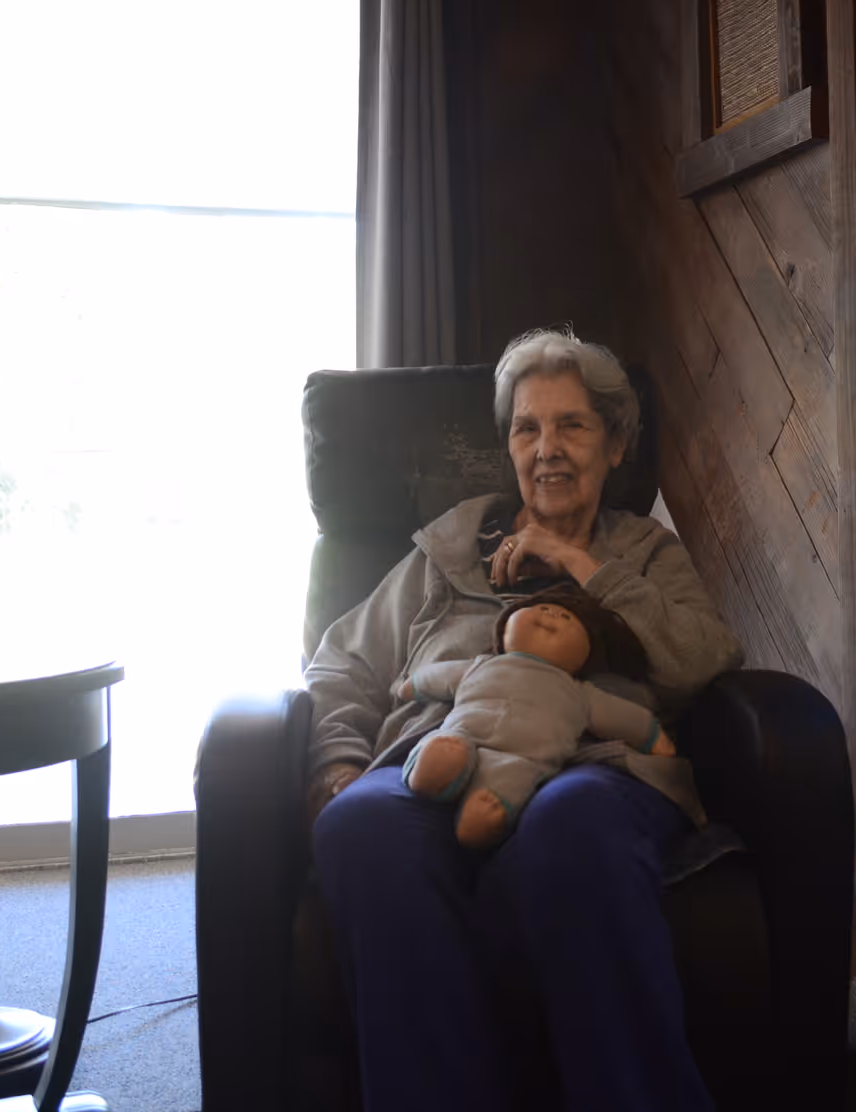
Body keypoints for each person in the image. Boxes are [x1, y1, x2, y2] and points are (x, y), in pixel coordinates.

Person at [305, 327, 744, 1112]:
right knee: (360, 827)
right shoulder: (450, 547)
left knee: (570, 828)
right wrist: (339, 763)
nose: (547, 448)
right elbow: (343, 661)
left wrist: (584, 566)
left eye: (571, 425)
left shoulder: (644, 553)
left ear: (615, 444)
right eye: (526, 427)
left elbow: (701, 660)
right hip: (439, 753)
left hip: (594, 764)